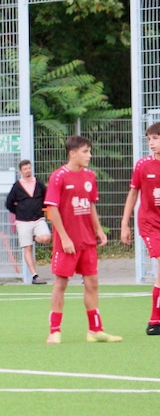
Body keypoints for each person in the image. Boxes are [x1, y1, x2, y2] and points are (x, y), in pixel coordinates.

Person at [44, 135, 121, 344]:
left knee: (92, 282)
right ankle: (54, 331)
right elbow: (52, 208)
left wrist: (98, 229)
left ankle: (95, 330)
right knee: (61, 283)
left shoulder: (90, 176)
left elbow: (90, 204)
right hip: (67, 242)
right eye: (85, 151)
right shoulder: (58, 177)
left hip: (87, 241)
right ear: (72, 153)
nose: (90, 155)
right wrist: (64, 237)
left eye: (89, 151)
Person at [120, 121, 160, 335]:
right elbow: (133, 194)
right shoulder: (143, 165)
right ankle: (154, 322)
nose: (151, 143)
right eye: (149, 139)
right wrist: (125, 223)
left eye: (155, 138)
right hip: (150, 224)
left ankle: (156, 321)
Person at [5, 160, 51, 284]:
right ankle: (35, 276)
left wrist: (40, 208)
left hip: (38, 219)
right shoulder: (17, 186)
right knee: (28, 248)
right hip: (23, 221)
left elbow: (47, 198)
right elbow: (9, 203)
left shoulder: (39, 183)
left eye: (29, 168)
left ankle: (33, 237)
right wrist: (19, 211)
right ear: (21, 172)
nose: (28, 170)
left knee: (46, 238)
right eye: (25, 169)